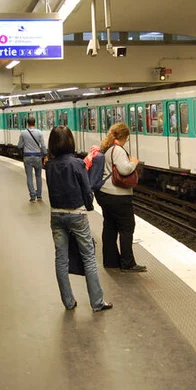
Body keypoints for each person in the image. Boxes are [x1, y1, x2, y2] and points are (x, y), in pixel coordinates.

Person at [45, 125, 113, 312]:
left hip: (56, 215)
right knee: (88, 257)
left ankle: (68, 302)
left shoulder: (49, 165)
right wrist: (89, 206)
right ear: (70, 142)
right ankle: (97, 302)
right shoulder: (77, 164)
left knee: (61, 258)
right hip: (76, 214)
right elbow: (86, 190)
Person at [95, 123, 147, 272]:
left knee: (110, 227)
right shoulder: (117, 149)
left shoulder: (107, 148)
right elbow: (124, 170)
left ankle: (110, 261)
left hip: (105, 193)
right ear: (124, 137)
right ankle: (127, 262)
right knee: (127, 227)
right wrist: (133, 163)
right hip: (117, 195)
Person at [17, 117, 46, 202]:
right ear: (35, 123)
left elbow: (19, 146)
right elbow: (43, 146)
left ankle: (33, 196)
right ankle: (39, 195)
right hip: (37, 157)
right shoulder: (40, 133)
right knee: (38, 177)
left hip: (27, 157)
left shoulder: (23, 133)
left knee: (29, 177)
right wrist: (45, 155)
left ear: (27, 123)